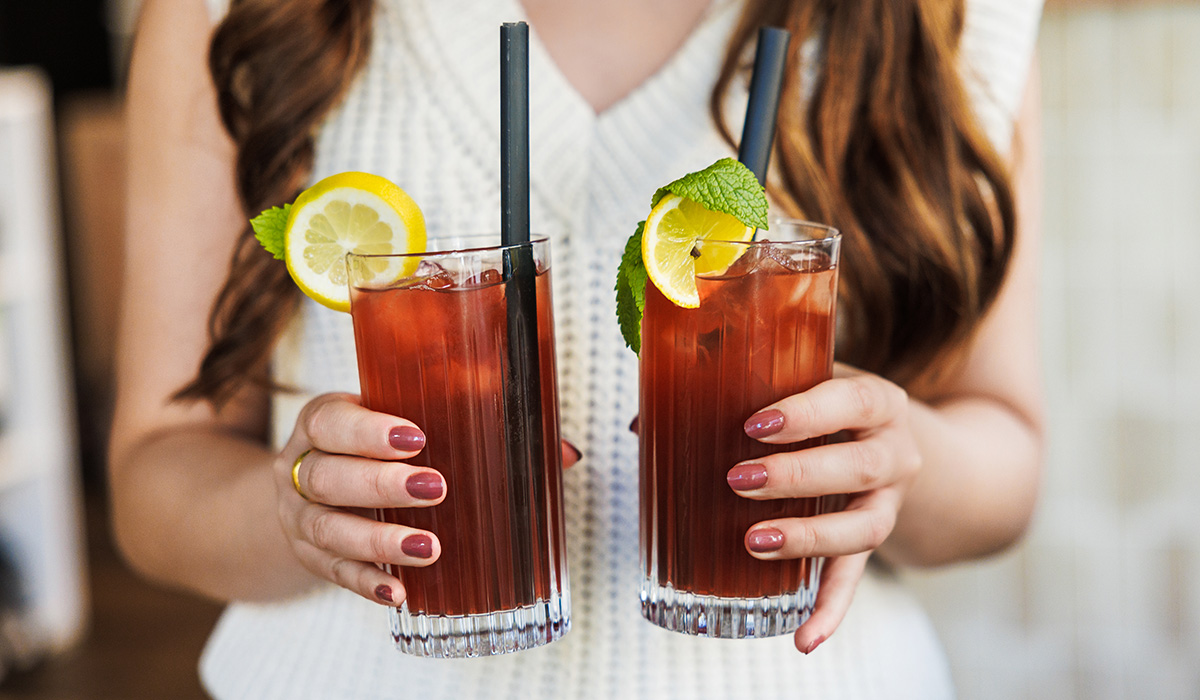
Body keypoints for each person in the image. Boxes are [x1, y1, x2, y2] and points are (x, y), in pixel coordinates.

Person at [110, 0, 1044, 697]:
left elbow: (1009, 462)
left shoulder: (954, 16)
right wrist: (296, 509)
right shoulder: (241, 14)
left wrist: (891, 459)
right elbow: (151, 476)